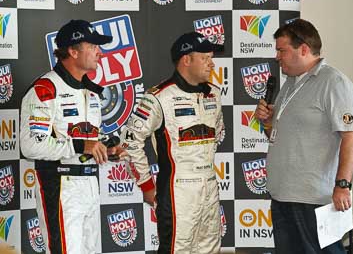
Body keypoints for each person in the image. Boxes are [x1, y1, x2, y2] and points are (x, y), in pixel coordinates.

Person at [20, 19, 126, 254]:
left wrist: (106, 150)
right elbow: (30, 146)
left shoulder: (92, 92)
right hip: (60, 186)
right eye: (93, 46)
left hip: (90, 184)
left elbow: (86, 144)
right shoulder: (46, 89)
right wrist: (81, 145)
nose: (100, 52)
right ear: (72, 50)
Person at [255, 19, 353, 254]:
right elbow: (279, 136)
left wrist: (343, 185)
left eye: (281, 50)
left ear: (303, 49)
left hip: (313, 198)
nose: (277, 56)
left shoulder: (334, 82)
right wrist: (268, 123)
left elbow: (351, 136)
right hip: (283, 195)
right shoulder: (290, 84)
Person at [121, 32, 225, 253]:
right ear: (186, 59)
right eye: (205, 58)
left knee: (210, 248)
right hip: (179, 190)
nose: (212, 64)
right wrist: (146, 184)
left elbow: (218, 134)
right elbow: (130, 142)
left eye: (211, 58)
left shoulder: (214, 94)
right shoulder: (158, 97)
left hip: (210, 186)